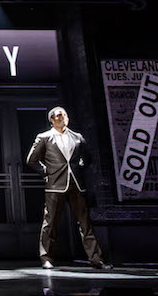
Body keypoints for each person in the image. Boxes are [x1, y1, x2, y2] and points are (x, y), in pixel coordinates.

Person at [26, 106, 112, 270]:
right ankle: (46, 258)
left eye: (64, 115)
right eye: (58, 116)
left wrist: (81, 165)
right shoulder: (44, 137)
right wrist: (46, 171)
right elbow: (32, 160)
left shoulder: (77, 137)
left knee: (85, 223)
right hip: (55, 185)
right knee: (50, 223)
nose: (62, 118)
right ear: (52, 120)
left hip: (76, 184)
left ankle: (96, 259)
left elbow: (87, 156)